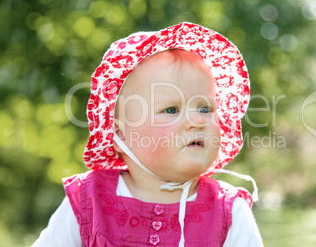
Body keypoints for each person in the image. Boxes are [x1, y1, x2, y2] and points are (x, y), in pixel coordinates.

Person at [33, 22, 263, 246]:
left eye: (205, 108)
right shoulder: (89, 203)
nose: (198, 120)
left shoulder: (229, 213)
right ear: (120, 135)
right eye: (171, 110)